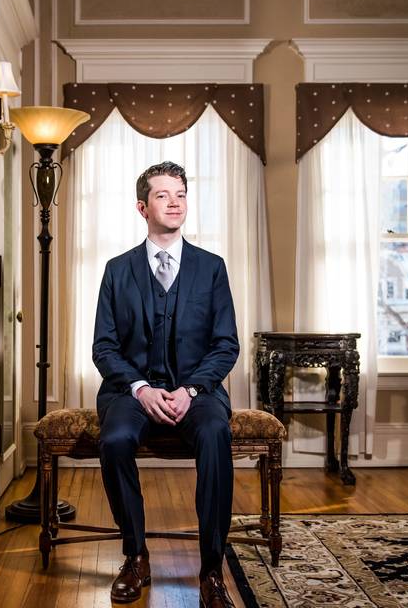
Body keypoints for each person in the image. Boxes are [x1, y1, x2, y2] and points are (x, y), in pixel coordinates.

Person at [93, 161, 239, 607]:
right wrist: (140, 387)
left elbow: (225, 344)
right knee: (115, 440)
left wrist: (190, 390)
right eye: (163, 195)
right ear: (142, 206)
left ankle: (212, 569)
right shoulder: (117, 270)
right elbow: (104, 348)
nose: (174, 202)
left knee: (215, 434)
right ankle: (135, 554)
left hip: (197, 393)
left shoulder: (211, 268)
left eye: (180, 194)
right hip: (131, 392)